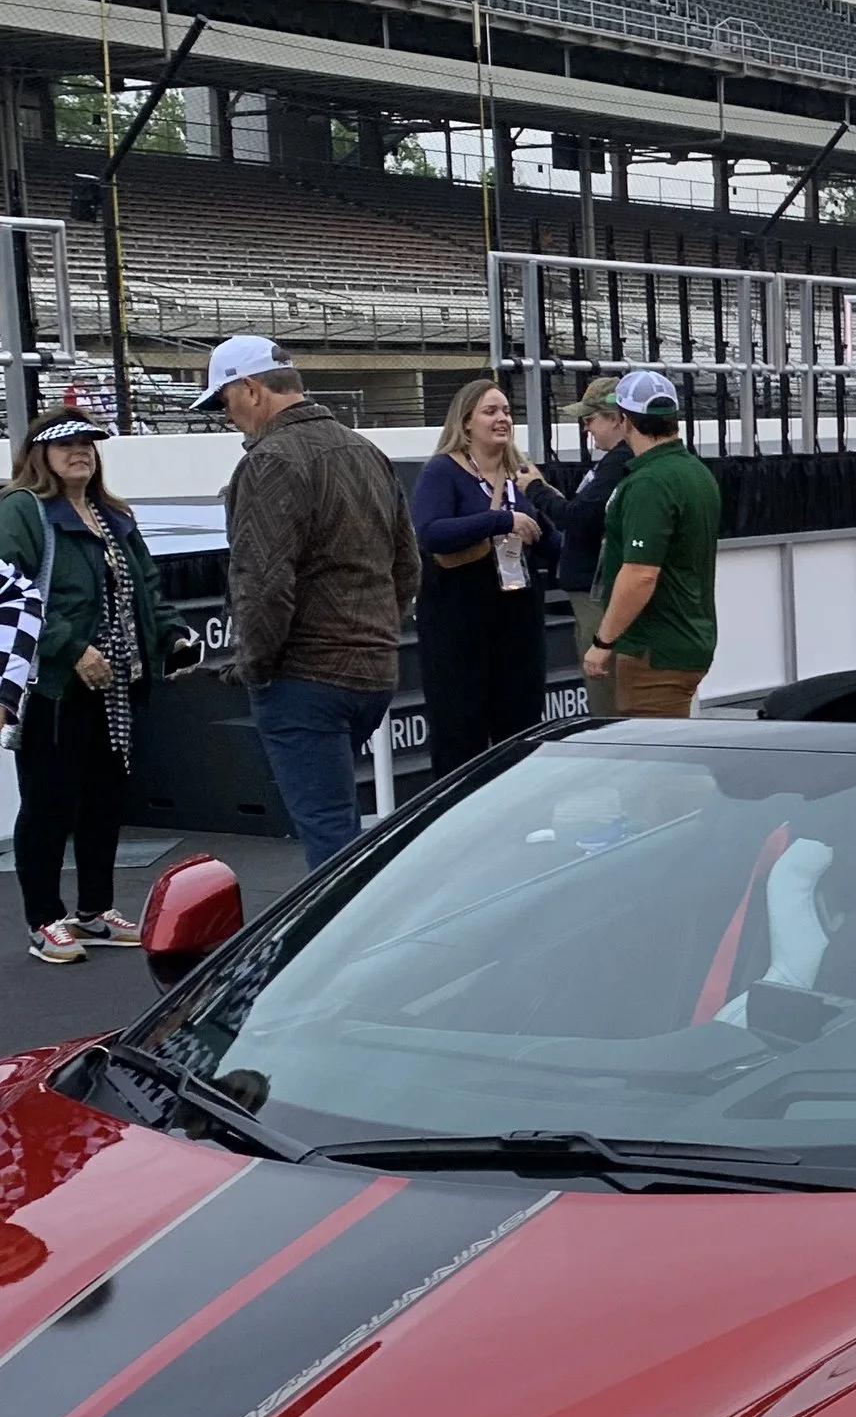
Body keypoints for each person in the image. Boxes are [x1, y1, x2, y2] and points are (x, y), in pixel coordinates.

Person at [201, 333, 420, 870]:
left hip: (306, 677)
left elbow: (263, 582)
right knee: (338, 826)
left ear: (251, 389)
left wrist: (254, 667)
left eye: (224, 400)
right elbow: (407, 564)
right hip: (371, 670)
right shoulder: (364, 449)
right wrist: (374, 632)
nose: (226, 415)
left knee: (328, 835)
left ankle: (344, 950)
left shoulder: (271, 459)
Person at [0, 412, 195, 964]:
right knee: (48, 804)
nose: (80, 451)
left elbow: (147, 589)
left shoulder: (114, 516)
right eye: (66, 444)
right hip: (55, 688)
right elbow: (7, 592)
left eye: (87, 442)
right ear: (41, 453)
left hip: (118, 685)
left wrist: (173, 635)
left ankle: (94, 912)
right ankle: (44, 921)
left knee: (104, 802)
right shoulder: (23, 510)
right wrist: (69, 647)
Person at [411, 379, 569, 775]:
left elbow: (553, 542)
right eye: (490, 411)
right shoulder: (443, 471)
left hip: (517, 620)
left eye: (506, 412)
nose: (502, 419)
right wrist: (500, 520)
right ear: (465, 424)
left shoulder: (524, 475)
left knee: (521, 727)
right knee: (459, 731)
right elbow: (430, 533)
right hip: (458, 620)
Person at [581, 367, 720, 717]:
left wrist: (603, 641)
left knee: (655, 763)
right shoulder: (694, 471)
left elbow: (641, 574)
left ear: (625, 420)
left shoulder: (650, 482)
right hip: (681, 640)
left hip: (654, 649)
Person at [556, 376, 633, 622]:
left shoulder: (619, 462)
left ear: (614, 418)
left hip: (595, 589)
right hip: (592, 587)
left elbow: (580, 517)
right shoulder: (614, 461)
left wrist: (535, 488)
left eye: (590, 420)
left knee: (596, 658)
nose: (586, 429)